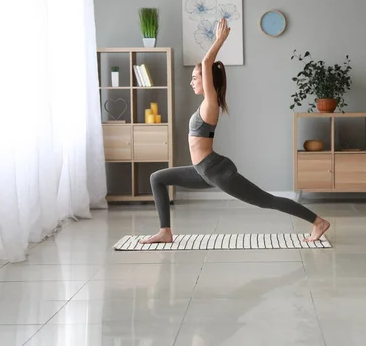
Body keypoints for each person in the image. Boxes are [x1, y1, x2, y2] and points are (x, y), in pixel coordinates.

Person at [141, 18, 330, 244]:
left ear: (208, 81)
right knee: (157, 178)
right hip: (202, 170)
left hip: (215, 171)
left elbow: (207, 60)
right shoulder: (204, 104)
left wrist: (219, 40)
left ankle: (318, 222)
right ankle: (165, 232)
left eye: (194, 78)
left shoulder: (211, 104)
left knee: (266, 200)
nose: (191, 82)